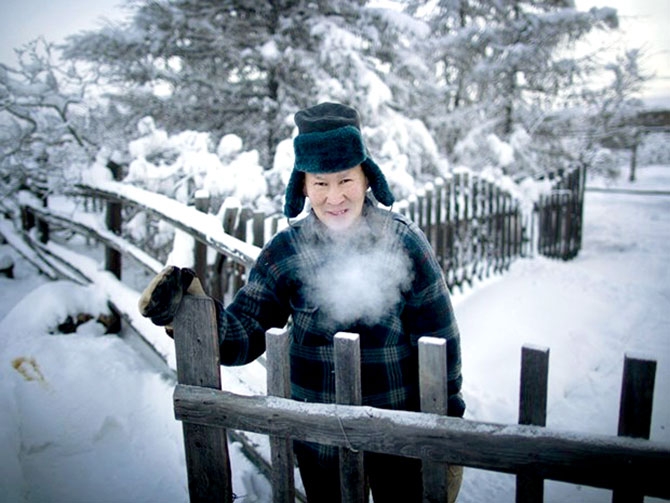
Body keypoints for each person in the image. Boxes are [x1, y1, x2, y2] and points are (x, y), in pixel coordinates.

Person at [139, 102, 465, 502]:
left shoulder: (404, 242)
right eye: (320, 183)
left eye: (345, 180)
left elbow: (440, 340)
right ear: (303, 186)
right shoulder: (285, 251)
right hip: (319, 441)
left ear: (366, 177)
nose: (334, 197)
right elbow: (243, 335)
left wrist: (450, 434)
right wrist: (188, 312)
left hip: (397, 438)